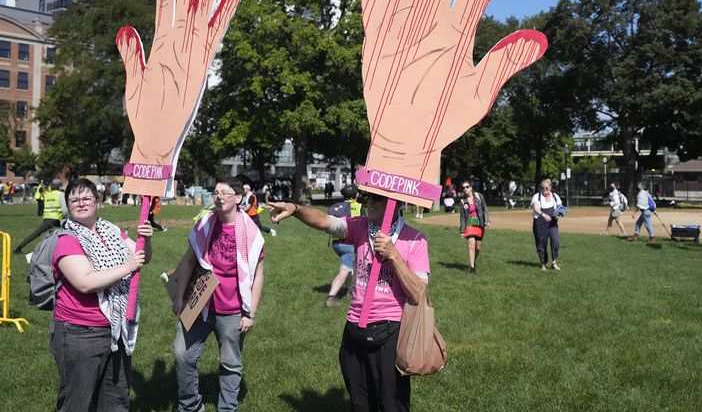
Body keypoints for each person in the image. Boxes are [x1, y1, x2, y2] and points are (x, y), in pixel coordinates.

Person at [269, 192, 430, 411]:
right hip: (354, 329)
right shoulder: (360, 226)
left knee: (391, 404)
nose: (370, 202)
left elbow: (419, 293)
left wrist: (394, 255)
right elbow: (326, 222)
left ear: (398, 203)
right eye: (368, 197)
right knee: (359, 402)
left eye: (377, 198)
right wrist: (296, 209)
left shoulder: (414, 239)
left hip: (390, 331)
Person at [50, 177, 153, 411]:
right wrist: (127, 267)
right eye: (74, 199)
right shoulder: (67, 239)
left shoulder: (111, 231)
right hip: (80, 332)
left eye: (86, 198)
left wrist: (146, 240)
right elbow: (85, 283)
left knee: (116, 401)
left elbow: (142, 257)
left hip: (116, 329)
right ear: (68, 205)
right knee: (77, 402)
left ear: (98, 202)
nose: (81, 203)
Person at [173, 176, 266, 412]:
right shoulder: (204, 224)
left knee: (230, 363)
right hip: (199, 304)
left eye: (225, 193)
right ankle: (190, 406)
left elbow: (258, 276)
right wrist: (179, 296)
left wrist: (250, 313)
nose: (219, 197)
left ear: (238, 198)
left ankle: (227, 408)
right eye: (216, 192)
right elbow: (188, 261)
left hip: (233, 311)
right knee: (182, 355)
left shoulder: (252, 233)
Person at [325, 184, 364, 307]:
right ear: (355, 195)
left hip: (336, 244)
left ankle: (349, 291)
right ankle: (331, 296)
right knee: (345, 269)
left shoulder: (336, 207)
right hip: (350, 244)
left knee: (349, 266)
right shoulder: (359, 207)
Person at [14, 178, 68, 254]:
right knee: (73, 230)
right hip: (56, 219)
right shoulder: (61, 194)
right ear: (59, 186)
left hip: (47, 218)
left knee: (36, 233)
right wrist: (66, 218)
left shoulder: (48, 194)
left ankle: (18, 248)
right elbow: (65, 210)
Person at [459, 180, 490, 273]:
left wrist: (487, 221)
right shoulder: (463, 201)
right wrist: (462, 231)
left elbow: (485, 209)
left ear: (471, 188)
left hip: (479, 224)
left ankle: (473, 261)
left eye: (467, 187)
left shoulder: (479, 197)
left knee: (478, 247)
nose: (465, 189)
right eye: (463, 187)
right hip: (469, 225)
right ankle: (472, 268)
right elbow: (462, 217)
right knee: (471, 245)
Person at [531, 179, 562, 271]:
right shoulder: (537, 196)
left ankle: (554, 262)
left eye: (546, 188)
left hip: (552, 223)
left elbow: (560, 207)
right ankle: (543, 264)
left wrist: (559, 213)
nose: (544, 190)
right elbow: (536, 208)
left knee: (555, 241)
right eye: (542, 188)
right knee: (541, 243)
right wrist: (544, 215)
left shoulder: (555, 196)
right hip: (540, 223)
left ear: (550, 188)